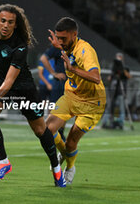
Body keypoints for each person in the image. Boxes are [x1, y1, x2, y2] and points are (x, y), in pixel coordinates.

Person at [0, 4, 66, 187]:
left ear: (15, 25)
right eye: (2, 21)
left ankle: (56, 169)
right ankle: (4, 162)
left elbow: (9, 83)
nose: (5, 25)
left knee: (40, 130)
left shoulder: (20, 46)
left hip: (23, 87)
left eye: (10, 22)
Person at [45, 17, 106, 184]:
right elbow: (65, 51)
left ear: (74, 35)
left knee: (71, 142)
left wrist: (72, 69)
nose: (60, 42)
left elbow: (95, 77)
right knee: (46, 131)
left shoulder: (86, 51)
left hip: (92, 102)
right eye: (58, 38)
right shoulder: (65, 46)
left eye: (63, 38)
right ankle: (65, 155)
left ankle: (70, 166)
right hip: (72, 96)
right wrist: (59, 46)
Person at [102, 52, 131, 129]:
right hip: (113, 90)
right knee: (110, 107)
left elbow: (128, 76)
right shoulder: (114, 68)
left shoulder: (125, 68)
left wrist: (122, 68)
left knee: (121, 108)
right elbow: (110, 78)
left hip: (121, 91)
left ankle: (120, 122)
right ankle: (106, 122)